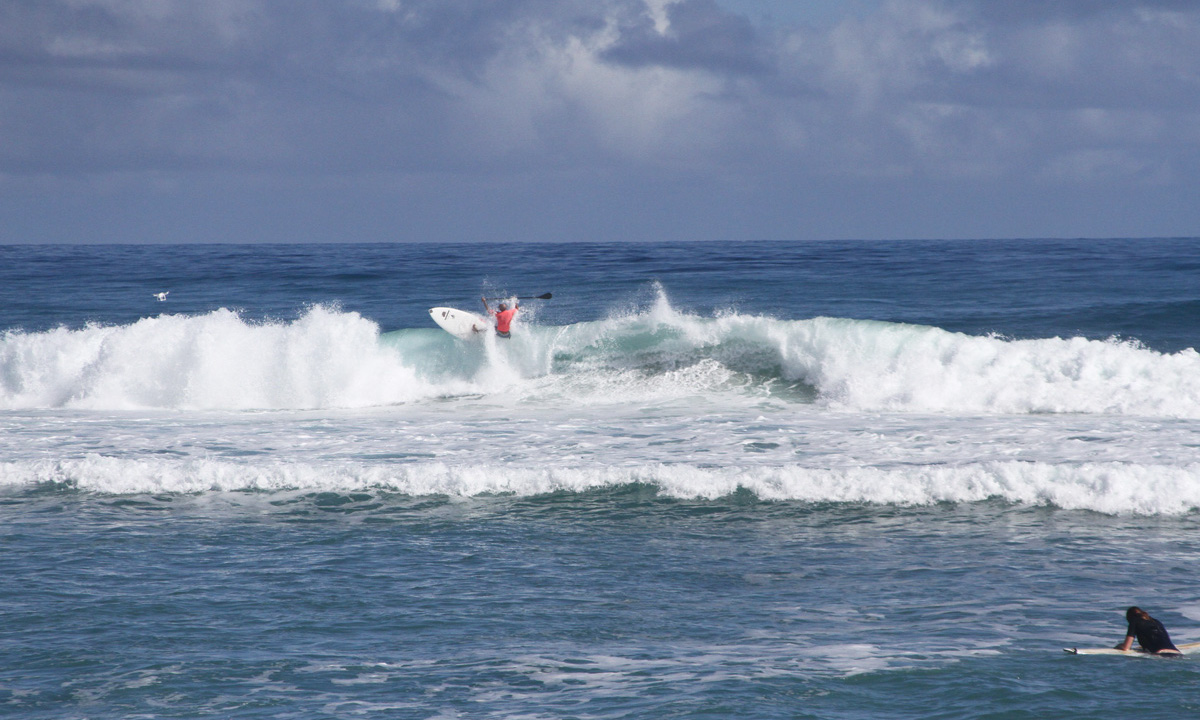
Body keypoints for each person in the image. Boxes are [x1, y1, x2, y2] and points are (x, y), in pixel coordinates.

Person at [1116, 606, 1180, 655]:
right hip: (1177, 652)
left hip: (1160, 653)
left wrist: (1119, 646)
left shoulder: (1134, 620)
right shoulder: (1155, 621)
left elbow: (1126, 647)